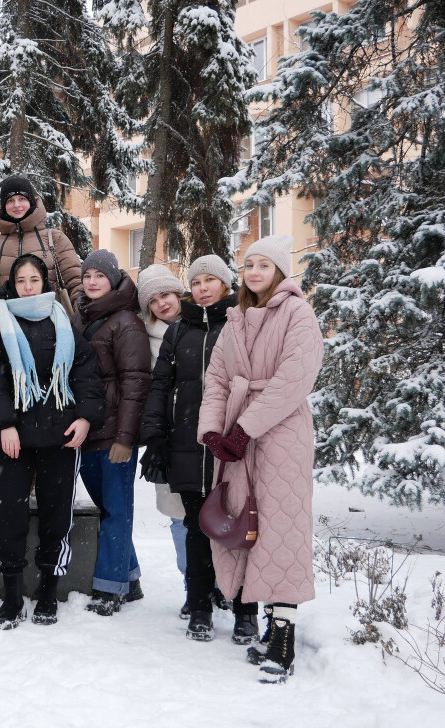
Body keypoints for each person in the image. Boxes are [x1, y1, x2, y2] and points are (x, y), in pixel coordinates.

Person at [198, 234, 323, 684]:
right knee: (248, 526)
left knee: (281, 531)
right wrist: (213, 430)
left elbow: (294, 380)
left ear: (280, 272)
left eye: (263, 265)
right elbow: (216, 378)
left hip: (281, 434)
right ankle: (266, 620)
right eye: (247, 264)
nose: (253, 272)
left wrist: (244, 429)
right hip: (235, 437)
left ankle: (283, 638)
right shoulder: (235, 318)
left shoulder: (298, 314)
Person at [0, 254, 106, 629]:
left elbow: (86, 372)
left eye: (34, 280)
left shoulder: (61, 319)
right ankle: (13, 594)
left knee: (56, 513)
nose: (28, 286)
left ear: (44, 283)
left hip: (60, 436)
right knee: (10, 515)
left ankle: (49, 588)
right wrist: (4, 424)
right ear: (12, 285)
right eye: (21, 281)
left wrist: (84, 417)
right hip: (15, 437)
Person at [139, 254, 255, 643]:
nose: (203, 287)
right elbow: (160, 386)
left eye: (211, 280)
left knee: (241, 529)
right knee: (196, 528)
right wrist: (155, 437)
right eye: (197, 280)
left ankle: (244, 611)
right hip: (187, 443)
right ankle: (200, 606)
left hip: (233, 445)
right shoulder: (179, 331)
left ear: (224, 284)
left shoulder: (241, 323)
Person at [73, 250, 151, 617]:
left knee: (116, 512)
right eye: (87, 275)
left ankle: (110, 588)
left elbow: (135, 384)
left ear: (113, 280)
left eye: (99, 276)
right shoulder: (83, 317)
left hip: (114, 435)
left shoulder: (126, 323)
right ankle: (129, 577)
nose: (91, 281)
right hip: (88, 432)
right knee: (109, 509)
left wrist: (125, 437)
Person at [137, 263, 190, 619]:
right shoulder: (145, 337)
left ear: (179, 294)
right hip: (169, 438)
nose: (162, 304)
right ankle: (193, 585)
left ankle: (220, 585)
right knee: (179, 517)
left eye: (166, 295)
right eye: (153, 300)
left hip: (203, 435)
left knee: (212, 515)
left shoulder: (205, 324)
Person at [0, 176, 83, 324]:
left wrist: (83, 316)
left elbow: (75, 283)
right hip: (9, 329)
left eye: (22, 198)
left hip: (52, 327)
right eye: (10, 200)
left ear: (31, 201)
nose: (16, 205)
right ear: (4, 206)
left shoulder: (55, 239)